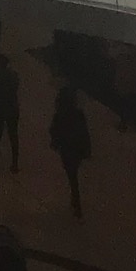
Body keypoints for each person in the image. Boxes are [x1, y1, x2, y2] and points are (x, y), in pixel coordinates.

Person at [48, 80, 90, 216]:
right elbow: (85, 133)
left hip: (66, 149)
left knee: (72, 175)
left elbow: (54, 131)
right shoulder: (78, 114)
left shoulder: (59, 115)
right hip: (77, 148)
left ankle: (76, 201)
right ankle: (75, 200)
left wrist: (55, 142)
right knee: (73, 174)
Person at [0, 48, 21, 170]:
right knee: (13, 134)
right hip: (12, 108)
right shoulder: (13, 75)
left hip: (0, 108)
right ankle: (15, 162)